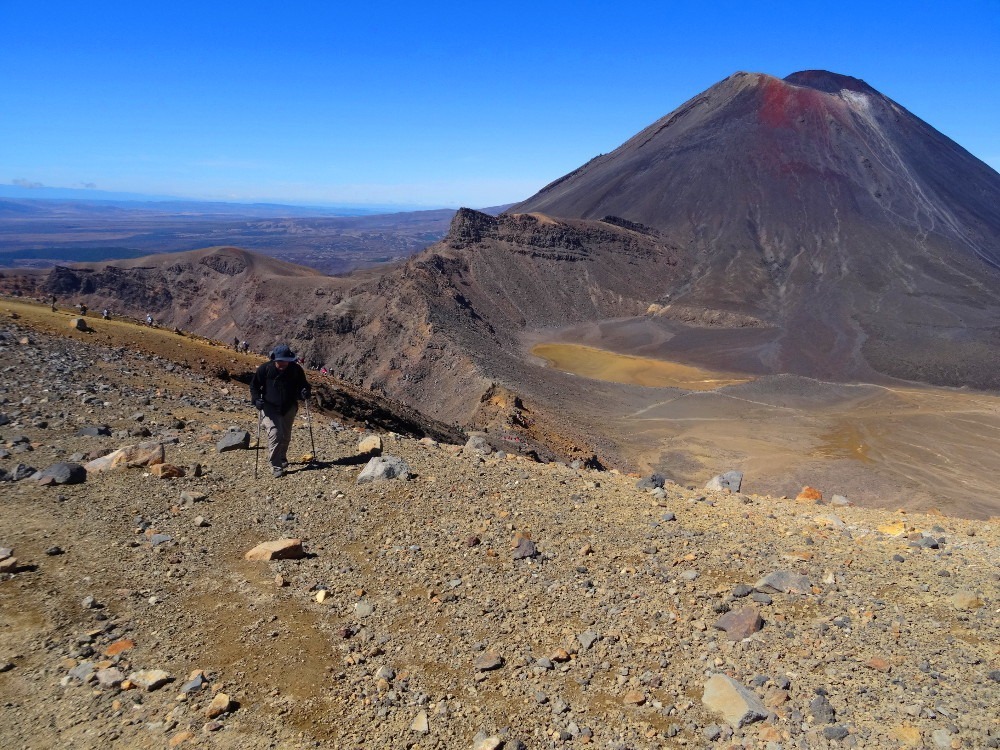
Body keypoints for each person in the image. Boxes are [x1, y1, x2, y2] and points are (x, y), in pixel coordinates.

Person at [249, 344, 310, 478]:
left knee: (286, 435)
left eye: (286, 361)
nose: (283, 364)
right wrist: (256, 400)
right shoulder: (265, 369)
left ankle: (282, 457)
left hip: (289, 406)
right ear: (274, 359)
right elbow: (254, 386)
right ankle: (276, 465)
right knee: (276, 433)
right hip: (269, 406)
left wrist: (304, 392)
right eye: (280, 361)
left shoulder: (295, 369)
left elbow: (303, 385)